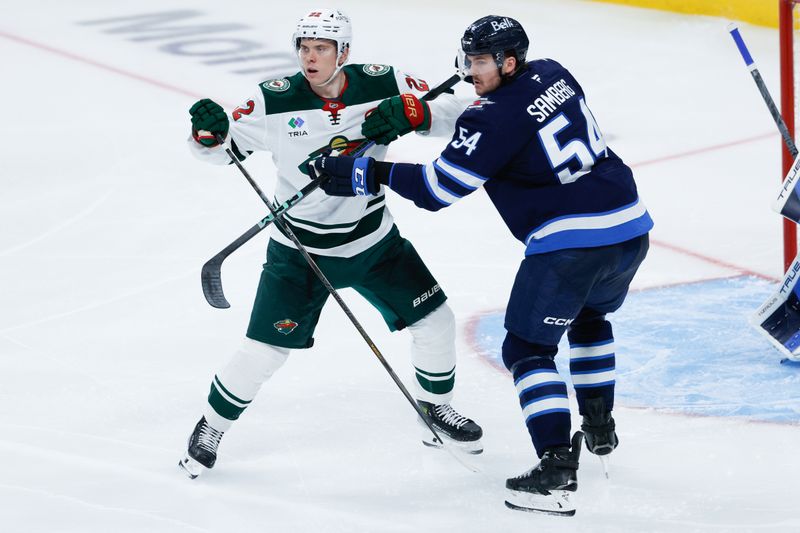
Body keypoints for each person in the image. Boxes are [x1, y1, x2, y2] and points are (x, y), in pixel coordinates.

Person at [313, 15, 653, 515]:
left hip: (570, 244)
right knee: (589, 317)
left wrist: (362, 171)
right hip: (630, 229)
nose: (470, 69)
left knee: (527, 347)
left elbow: (438, 188)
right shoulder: (554, 72)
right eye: (468, 59)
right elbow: (508, 121)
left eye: (479, 62)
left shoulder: (490, 118)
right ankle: (599, 426)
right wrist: (420, 114)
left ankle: (557, 469)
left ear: (509, 62)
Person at [179, 8, 483, 479]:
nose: (310, 57)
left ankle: (436, 409)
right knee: (263, 352)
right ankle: (211, 427)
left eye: (321, 48)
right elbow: (224, 149)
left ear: (343, 52)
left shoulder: (385, 81)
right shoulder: (272, 99)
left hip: (375, 241)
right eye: (304, 47)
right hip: (299, 253)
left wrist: (417, 112)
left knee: (435, 321)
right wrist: (207, 134)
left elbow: (458, 114)